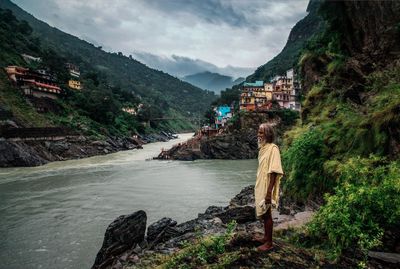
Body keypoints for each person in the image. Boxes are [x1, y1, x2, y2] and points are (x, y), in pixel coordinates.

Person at [253, 123, 284, 251]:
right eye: (258, 132)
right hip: (260, 184)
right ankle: (265, 237)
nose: (258, 135)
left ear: (268, 134)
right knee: (265, 213)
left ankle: (269, 243)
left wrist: (268, 192)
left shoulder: (273, 149)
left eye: (261, 132)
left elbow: (274, 171)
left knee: (268, 213)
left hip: (267, 186)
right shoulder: (263, 148)